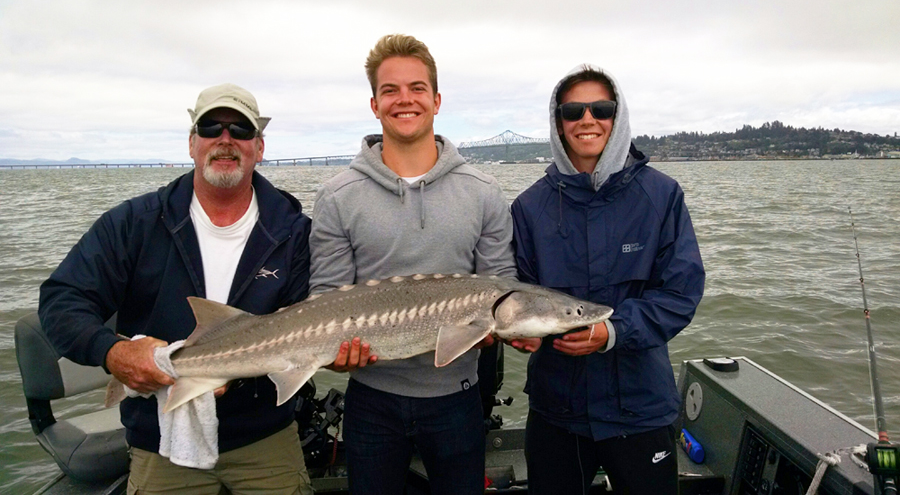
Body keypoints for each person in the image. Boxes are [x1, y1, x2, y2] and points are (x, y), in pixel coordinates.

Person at [38, 84, 314, 495]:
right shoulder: (134, 224)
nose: (225, 139)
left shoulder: (294, 231)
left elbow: (309, 325)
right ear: (191, 143)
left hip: (264, 436)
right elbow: (62, 300)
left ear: (258, 146)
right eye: (211, 127)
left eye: (240, 129)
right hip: (161, 436)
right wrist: (111, 352)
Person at [308, 34, 517, 495]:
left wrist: (497, 332)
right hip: (371, 401)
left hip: (458, 399)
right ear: (374, 104)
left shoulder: (483, 192)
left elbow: (503, 288)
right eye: (391, 90)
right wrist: (335, 356)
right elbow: (325, 297)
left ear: (437, 100)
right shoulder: (338, 197)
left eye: (418, 88)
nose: (405, 99)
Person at [510, 65, 705, 495]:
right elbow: (516, 293)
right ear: (558, 122)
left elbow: (680, 293)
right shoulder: (528, 208)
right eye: (573, 110)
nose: (587, 119)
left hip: (642, 408)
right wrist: (517, 333)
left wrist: (612, 331)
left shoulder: (662, 195)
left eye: (601, 108)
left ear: (617, 118)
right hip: (557, 412)